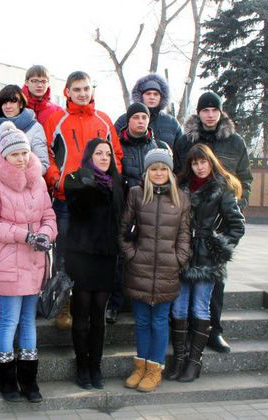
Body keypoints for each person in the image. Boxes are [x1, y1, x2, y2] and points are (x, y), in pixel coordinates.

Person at [0, 121, 57, 403]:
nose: (22, 158)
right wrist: (24, 235)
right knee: (9, 320)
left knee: (28, 321)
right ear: (5, 156)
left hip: (35, 262)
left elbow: (49, 217)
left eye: (24, 153)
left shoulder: (38, 181)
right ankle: (6, 381)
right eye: (15, 154)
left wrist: (45, 234)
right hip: (8, 262)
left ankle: (29, 380)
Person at [173, 91, 253, 353]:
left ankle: (214, 331)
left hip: (218, 223)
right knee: (185, 285)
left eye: (214, 110)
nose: (210, 115)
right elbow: (178, 175)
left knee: (215, 282)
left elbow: (245, 178)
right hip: (191, 224)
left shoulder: (235, 141)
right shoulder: (185, 141)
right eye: (205, 110)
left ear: (221, 112)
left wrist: (234, 206)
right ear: (198, 113)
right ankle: (185, 334)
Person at [44, 70, 124, 330]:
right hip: (66, 200)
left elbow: (116, 156)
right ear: (67, 91)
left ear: (92, 90)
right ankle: (64, 303)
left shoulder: (104, 120)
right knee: (64, 252)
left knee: (95, 251)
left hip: (98, 201)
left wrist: (110, 185)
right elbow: (46, 155)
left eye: (86, 88)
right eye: (76, 89)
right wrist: (58, 181)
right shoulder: (56, 120)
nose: (82, 93)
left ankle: (93, 303)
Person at [167, 144, 246, 383]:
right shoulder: (180, 187)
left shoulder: (222, 187)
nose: (199, 167)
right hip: (183, 255)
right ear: (189, 166)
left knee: (200, 307)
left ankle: (194, 362)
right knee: (178, 308)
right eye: (195, 163)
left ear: (211, 163)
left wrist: (218, 248)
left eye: (203, 162)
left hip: (206, 259)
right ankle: (179, 359)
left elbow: (237, 226)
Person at [120, 148, 190, 393]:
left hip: (167, 272)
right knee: (141, 321)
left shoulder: (181, 198)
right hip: (139, 270)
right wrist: (132, 256)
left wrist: (178, 259)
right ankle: (140, 366)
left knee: (159, 321)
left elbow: (184, 235)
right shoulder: (136, 194)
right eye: (154, 169)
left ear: (170, 171)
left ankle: (154, 369)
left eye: (163, 169)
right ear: (147, 171)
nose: (159, 173)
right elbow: (123, 231)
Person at [63, 138, 124, 390]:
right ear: (89, 156)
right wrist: (88, 183)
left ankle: (95, 366)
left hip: (106, 256)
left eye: (108, 154)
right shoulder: (75, 179)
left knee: (99, 313)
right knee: (82, 310)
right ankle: (82, 367)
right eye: (99, 153)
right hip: (81, 255)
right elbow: (77, 210)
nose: (104, 158)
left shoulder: (117, 183)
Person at [106, 102, 170, 324]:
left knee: (144, 258)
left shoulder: (159, 146)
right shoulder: (116, 145)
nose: (140, 121)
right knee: (119, 258)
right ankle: (114, 304)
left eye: (144, 117)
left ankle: (139, 302)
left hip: (151, 209)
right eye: (136, 117)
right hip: (123, 208)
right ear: (128, 120)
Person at [0, 84, 49, 174]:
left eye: (12, 102)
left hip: (26, 180)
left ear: (21, 104)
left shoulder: (34, 127)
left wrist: (21, 179)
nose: (8, 106)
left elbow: (42, 163)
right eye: (4, 103)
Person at [113, 73, 183, 149]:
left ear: (161, 97)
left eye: (156, 94)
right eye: (148, 93)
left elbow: (181, 151)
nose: (152, 97)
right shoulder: (124, 120)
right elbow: (112, 146)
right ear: (141, 96)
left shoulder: (172, 122)